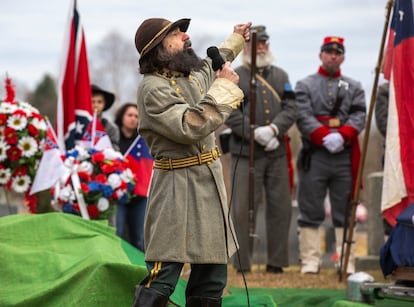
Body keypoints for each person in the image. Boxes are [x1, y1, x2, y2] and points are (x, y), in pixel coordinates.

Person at [132, 17, 251, 306]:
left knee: (211, 273)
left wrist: (236, 39)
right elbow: (190, 125)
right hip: (174, 186)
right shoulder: (153, 88)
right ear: (159, 48)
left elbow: (213, 63)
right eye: (175, 33)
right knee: (164, 272)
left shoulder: (188, 75)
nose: (185, 35)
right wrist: (224, 88)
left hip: (208, 185)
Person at [224, 25, 297, 274]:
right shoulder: (236, 76)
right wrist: (253, 132)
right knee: (243, 208)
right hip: (245, 153)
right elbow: (229, 113)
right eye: (256, 43)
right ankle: (242, 263)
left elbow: (291, 108)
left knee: (280, 207)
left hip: (275, 151)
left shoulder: (281, 76)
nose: (261, 47)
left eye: (264, 42)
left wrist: (275, 130)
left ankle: (276, 262)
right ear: (246, 47)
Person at [295, 36, 366, 274]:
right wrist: (323, 135)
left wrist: (343, 135)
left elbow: (359, 115)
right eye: (328, 52)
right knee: (310, 207)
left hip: (343, 156)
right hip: (315, 154)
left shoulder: (354, 86)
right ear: (321, 55)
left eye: (338, 52)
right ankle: (310, 262)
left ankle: (346, 261)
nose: (333, 56)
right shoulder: (305, 85)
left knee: (344, 209)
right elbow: (302, 115)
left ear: (343, 57)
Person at [114, 102, 146, 252]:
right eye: (130, 115)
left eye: (136, 116)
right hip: (117, 194)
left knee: (139, 239)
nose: (133, 119)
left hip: (139, 196)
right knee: (117, 234)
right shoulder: (112, 136)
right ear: (122, 116)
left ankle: (141, 272)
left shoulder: (144, 140)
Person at [91, 84, 120, 151]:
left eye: (99, 102)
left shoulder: (111, 128)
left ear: (104, 104)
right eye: (92, 101)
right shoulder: (79, 124)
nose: (96, 105)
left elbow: (114, 149)